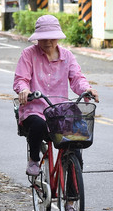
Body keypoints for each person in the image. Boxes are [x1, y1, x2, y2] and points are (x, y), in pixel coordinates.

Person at [13, 15, 99, 177]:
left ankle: (72, 198)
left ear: (58, 37)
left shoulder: (67, 56)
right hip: (35, 108)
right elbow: (21, 79)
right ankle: (33, 159)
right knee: (37, 124)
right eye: (43, 38)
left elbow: (77, 78)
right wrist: (24, 90)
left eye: (52, 37)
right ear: (37, 38)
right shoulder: (28, 55)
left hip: (60, 111)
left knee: (77, 140)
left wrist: (87, 89)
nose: (48, 42)